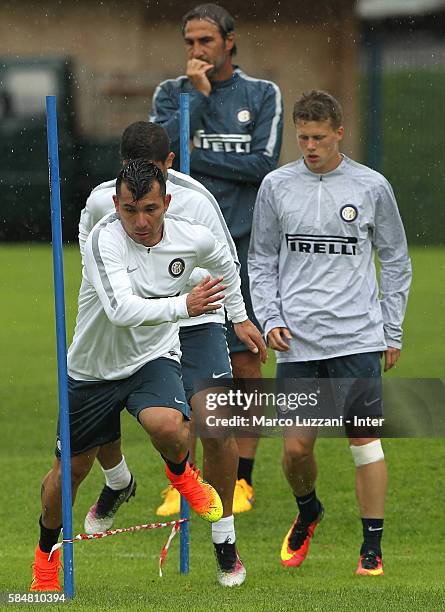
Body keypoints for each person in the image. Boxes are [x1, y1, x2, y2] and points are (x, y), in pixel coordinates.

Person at [31, 160, 266, 591]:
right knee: (67, 476)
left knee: (170, 425)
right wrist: (183, 307)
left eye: (151, 209)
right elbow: (121, 312)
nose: (140, 221)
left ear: (167, 204)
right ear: (117, 205)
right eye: (130, 209)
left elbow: (226, 264)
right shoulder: (106, 238)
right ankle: (46, 553)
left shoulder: (191, 236)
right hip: (93, 370)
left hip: (151, 358)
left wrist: (239, 316)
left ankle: (181, 475)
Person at [248, 90, 412, 576]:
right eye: (303, 138)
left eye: (320, 137)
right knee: (296, 448)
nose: (311, 146)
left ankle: (372, 549)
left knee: (365, 444)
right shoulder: (276, 186)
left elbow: (396, 259)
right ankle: (308, 510)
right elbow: (261, 259)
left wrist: (392, 328)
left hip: (358, 338)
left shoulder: (371, 186)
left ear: (340, 132)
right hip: (297, 342)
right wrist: (271, 318)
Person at [150, 3, 283, 511]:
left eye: (205, 41)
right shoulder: (171, 93)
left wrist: (193, 156)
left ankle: (242, 477)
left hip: (243, 244)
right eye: (189, 43)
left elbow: (262, 167)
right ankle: (183, 479)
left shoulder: (262, 94)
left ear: (230, 41)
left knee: (246, 361)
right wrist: (198, 101)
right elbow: (155, 160)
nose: (196, 52)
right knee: (182, 360)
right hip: (179, 248)